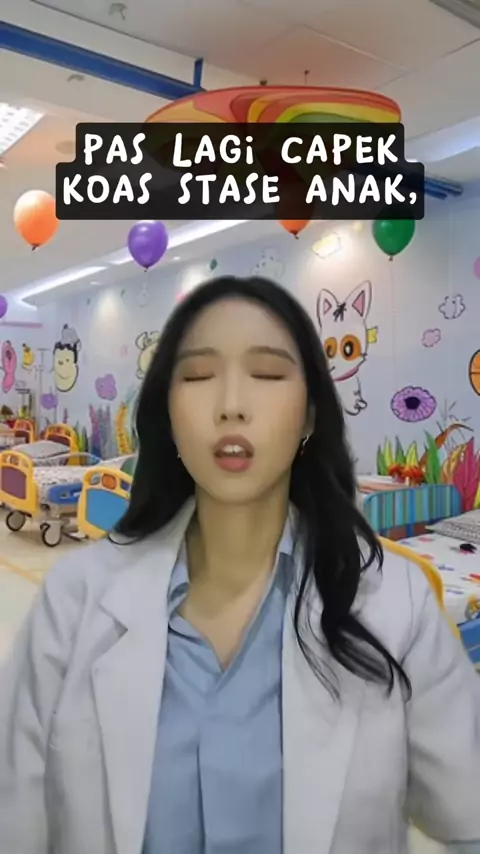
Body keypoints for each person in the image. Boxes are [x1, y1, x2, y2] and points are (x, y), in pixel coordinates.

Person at [0, 275, 479, 854]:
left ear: (309, 416)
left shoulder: (396, 605)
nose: (231, 405)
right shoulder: (75, 601)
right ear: (168, 414)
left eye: (268, 375)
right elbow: (15, 819)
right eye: (199, 376)